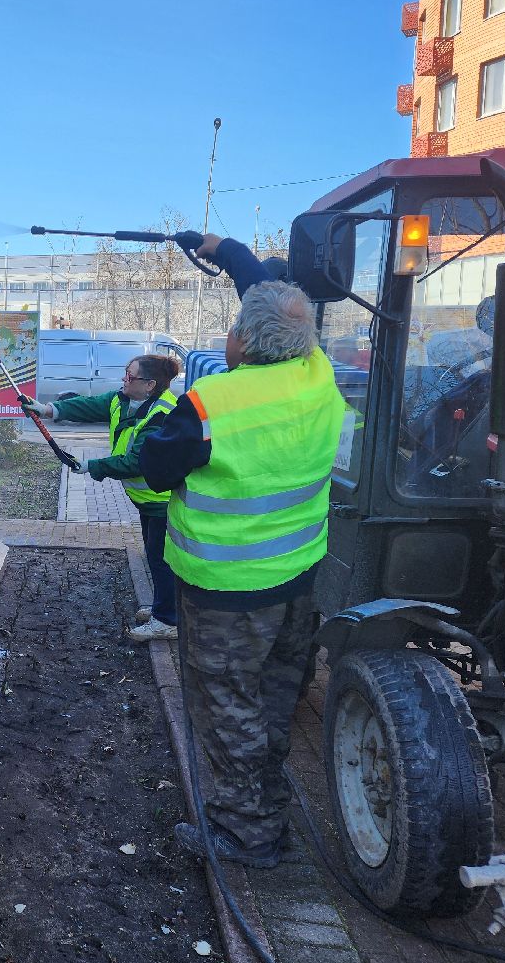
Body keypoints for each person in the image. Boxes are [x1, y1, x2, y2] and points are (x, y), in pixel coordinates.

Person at [139, 235, 347, 870]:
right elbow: (267, 298)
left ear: (244, 343)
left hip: (226, 594)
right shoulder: (318, 375)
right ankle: (268, 799)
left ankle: (245, 835)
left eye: (233, 328)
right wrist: (224, 248)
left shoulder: (210, 403)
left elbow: (154, 468)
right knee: (274, 700)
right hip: (297, 581)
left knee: (228, 709)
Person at [21, 354, 182, 641]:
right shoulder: (122, 399)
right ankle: (162, 608)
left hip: (162, 502)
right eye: (125, 373)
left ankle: (167, 620)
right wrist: (48, 409)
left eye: (130, 376)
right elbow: (89, 405)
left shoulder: (162, 415)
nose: (124, 379)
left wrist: (90, 466)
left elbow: (136, 462)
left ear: (149, 385)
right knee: (154, 556)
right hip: (147, 500)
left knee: (160, 561)